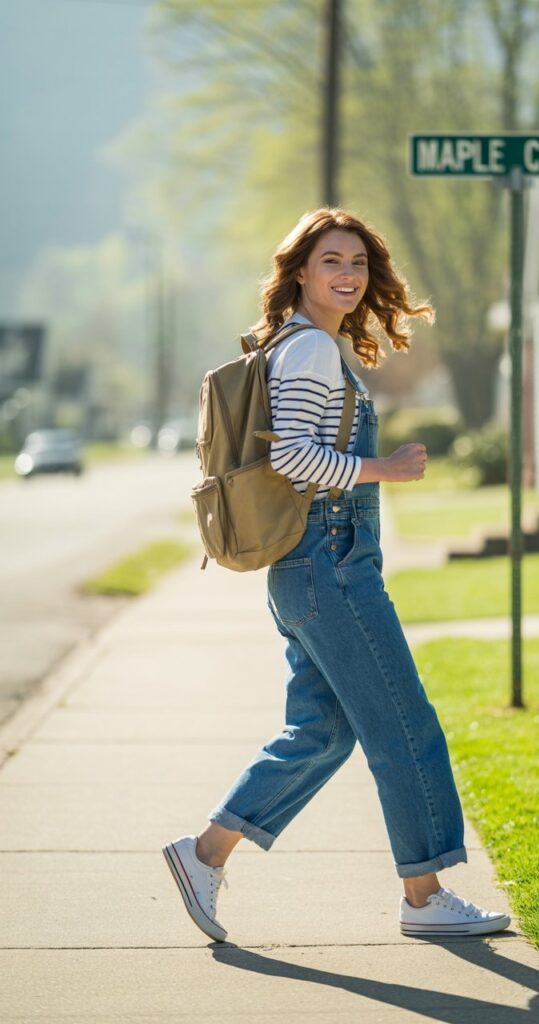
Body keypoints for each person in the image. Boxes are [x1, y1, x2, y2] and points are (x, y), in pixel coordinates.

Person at [162, 208, 510, 941]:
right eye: (332, 261)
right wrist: (385, 467)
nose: (348, 275)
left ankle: (205, 855)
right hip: (330, 562)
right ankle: (425, 896)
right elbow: (290, 456)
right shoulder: (311, 349)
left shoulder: (295, 343)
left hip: (306, 570)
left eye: (358, 262)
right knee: (405, 727)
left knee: (320, 732)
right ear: (299, 273)